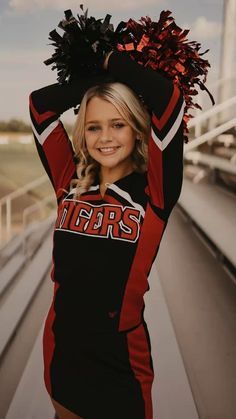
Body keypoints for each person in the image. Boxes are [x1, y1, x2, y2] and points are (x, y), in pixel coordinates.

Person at [29, 49, 185, 419]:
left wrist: (110, 60)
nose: (105, 138)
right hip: (62, 350)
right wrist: (95, 84)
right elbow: (40, 106)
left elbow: (168, 101)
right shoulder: (69, 178)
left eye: (118, 124)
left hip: (120, 363)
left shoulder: (155, 192)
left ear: (137, 126)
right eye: (94, 126)